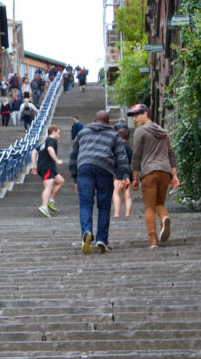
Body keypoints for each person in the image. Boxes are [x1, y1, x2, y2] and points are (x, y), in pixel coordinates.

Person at [69, 110, 132, 254]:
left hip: (84, 168)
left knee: (86, 204)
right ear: (108, 122)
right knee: (103, 206)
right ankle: (102, 239)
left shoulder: (82, 133)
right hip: (105, 168)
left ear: (93, 120)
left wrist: (75, 178)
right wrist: (125, 175)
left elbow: (73, 156)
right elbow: (121, 157)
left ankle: (86, 232)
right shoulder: (114, 134)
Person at [128, 103, 180, 249]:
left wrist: (134, 177)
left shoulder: (140, 131)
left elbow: (137, 155)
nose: (134, 119)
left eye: (137, 115)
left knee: (149, 207)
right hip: (165, 172)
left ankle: (153, 241)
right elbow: (171, 154)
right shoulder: (163, 131)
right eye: (133, 116)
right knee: (160, 203)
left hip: (149, 172)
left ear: (146, 114)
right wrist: (174, 176)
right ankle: (164, 218)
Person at [32, 124, 65, 218]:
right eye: (58, 133)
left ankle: (51, 201)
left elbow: (34, 151)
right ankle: (44, 206)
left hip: (48, 167)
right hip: (47, 167)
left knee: (60, 181)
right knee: (49, 185)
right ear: (53, 132)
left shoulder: (45, 141)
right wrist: (57, 160)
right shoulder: (51, 140)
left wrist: (34, 165)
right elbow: (50, 149)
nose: (59, 135)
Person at [112, 126, 133, 219]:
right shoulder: (129, 147)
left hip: (119, 172)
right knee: (127, 195)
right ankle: (127, 214)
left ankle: (117, 214)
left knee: (115, 193)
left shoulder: (118, 147)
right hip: (128, 172)